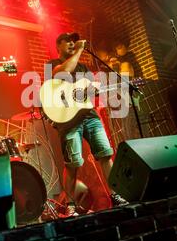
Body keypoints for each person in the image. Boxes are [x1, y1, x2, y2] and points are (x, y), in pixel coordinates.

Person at [45, 32, 129, 217]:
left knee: (105, 153)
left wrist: (96, 91)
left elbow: (89, 93)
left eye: (74, 41)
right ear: (58, 45)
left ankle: (116, 195)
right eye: (67, 41)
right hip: (68, 119)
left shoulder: (84, 67)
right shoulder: (52, 64)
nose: (72, 43)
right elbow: (63, 73)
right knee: (73, 163)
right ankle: (71, 204)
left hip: (89, 116)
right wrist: (80, 49)